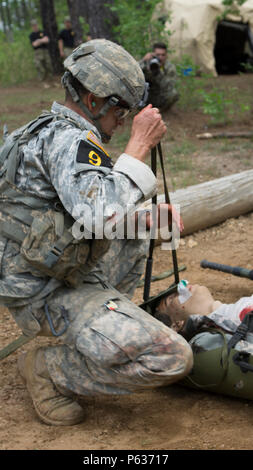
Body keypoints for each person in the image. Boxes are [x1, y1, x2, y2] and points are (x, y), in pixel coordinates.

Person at [0, 39, 193, 426]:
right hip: (44, 288)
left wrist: (143, 221)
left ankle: (106, 329)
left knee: (137, 226)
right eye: (119, 109)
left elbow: (76, 214)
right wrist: (138, 146)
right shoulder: (69, 142)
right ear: (93, 101)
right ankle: (47, 369)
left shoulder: (45, 131)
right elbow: (100, 213)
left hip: (46, 265)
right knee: (172, 357)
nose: (121, 121)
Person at [157, 280, 253, 336]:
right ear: (177, 325)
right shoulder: (235, 321)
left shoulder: (234, 312)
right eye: (171, 299)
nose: (182, 288)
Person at [140, 42, 179, 111]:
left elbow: (168, 86)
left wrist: (159, 72)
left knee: (174, 93)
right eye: (158, 55)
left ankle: (161, 109)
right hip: (146, 94)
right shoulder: (147, 62)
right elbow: (133, 73)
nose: (160, 57)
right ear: (153, 54)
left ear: (166, 55)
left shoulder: (169, 67)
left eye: (163, 55)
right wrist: (143, 61)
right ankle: (140, 107)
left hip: (159, 95)